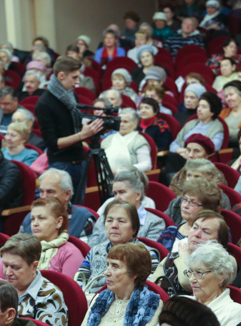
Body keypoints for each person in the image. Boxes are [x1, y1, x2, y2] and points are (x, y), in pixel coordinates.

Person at [36, 57, 103, 205]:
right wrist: (82, 135)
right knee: (59, 208)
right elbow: (52, 143)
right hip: (61, 164)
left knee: (78, 208)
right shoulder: (44, 103)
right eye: (74, 77)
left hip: (79, 160)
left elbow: (73, 127)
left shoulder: (72, 95)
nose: (77, 82)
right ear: (61, 76)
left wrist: (92, 125)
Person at [74, 242, 163, 326]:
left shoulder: (151, 304)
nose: (106, 272)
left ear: (135, 273)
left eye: (115, 266)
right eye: (108, 265)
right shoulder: (99, 299)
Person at [0, 234, 68, 326]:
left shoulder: (50, 296)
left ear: (34, 266)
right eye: (5, 265)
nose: (8, 273)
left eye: (15, 267)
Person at [89, 170, 166, 246]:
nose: (117, 198)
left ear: (138, 195)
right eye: (115, 193)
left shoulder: (154, 223)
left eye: (122, 192)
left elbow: (147, 252)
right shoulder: (104, 218)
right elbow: (91, 248)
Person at [20, 169, 94, 239]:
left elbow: (84, 248)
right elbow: (17, 245)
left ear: (67, 194)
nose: (44, 197)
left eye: (50, 192)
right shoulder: (30, 217)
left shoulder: (83, 219)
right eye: (41, 192)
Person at [157, 178, 222, 253]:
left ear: (207, 208)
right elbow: (156, 255)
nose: (185, 206)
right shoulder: (170, 231)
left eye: (192, 202)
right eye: (185, 200)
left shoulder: (216, 232)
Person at [100, 109, 152, 175]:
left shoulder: (139, 141)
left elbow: (146, 164)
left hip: (129, 178)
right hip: (105, 177)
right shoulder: (108, 139)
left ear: (135, 124)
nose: (121, 124)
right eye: (119, 121)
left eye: (125, 122)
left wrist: (124, 170)